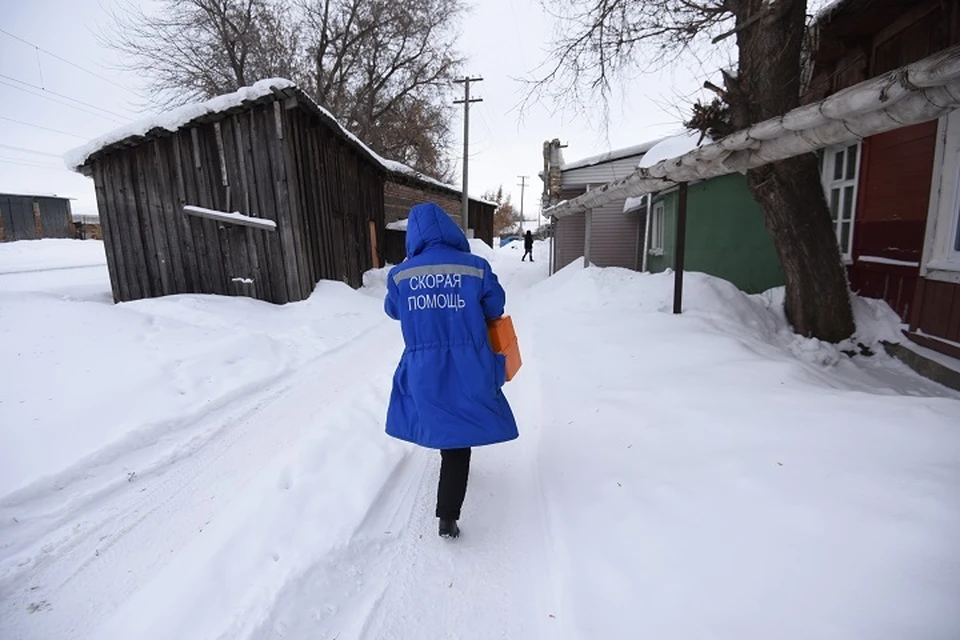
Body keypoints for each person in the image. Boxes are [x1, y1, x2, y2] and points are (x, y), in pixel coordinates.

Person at [384, 203, 518, 539]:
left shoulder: (401, 275)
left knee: (442, 420)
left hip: (424, 366)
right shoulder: (475, 267)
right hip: (470, 362)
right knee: (460, 432)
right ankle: (448, 516)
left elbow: (393, 311)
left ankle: (447, 509)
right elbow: (495, 306)